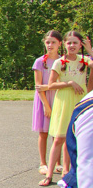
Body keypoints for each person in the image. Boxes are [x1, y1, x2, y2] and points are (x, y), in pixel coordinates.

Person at [39, 32, 93, 187]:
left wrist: (90, 51)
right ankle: (49, 174)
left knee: (73, 138)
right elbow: (51, 85)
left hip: (78, 101)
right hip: (64, 101)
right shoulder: (59, 63)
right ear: (64, 44)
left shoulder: (85, 61)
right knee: (59, 138)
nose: (72, 46)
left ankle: (66, 172)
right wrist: (69, 83)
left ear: (80, 45)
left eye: (76, 43)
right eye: (69, 43)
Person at [33, 31, 63, 175]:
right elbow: (38, 86)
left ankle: (58, 163)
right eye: (47, 42)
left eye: (53, 42)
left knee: (58, 133)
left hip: (58, 98)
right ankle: (43, 163)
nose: (50, 45)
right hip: (44, 99)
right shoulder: (40, 62)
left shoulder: (63, 61)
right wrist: (46, 105)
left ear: (60, 44)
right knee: (44, 132)